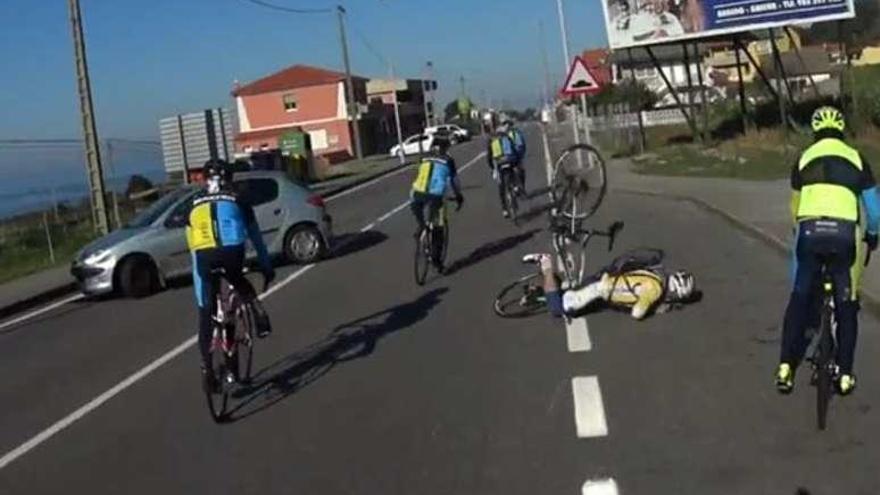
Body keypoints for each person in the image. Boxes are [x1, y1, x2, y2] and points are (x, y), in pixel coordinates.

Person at [776, 106, 880, 396]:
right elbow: (874, 210)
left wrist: (800, 233)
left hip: (810, 233)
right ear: (841, 130)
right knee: (847, 305)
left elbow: (795, 209)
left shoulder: (804, 159)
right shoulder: (857, 159)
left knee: (799, 298)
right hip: (844, 235)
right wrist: (872, 236)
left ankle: (785, 366)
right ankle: (845, 374)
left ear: (815, 132)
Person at [186, 159, 276, 392]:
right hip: (232, 252)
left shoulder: (193, 204)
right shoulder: (239, 200)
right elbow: (256, 239)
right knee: (237, 279)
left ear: (205, 180)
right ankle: (258, 312)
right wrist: (267, 267)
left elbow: (194, 253)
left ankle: (207, 369)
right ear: (230, 179)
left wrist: (201, 298)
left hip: (205, 257)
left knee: (206, 315)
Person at [523, 252, 697, 320]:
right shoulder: (654, 290)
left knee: (569, 296)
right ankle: (545, 263)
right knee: (558, 308)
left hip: (606, 282)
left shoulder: (658, 274)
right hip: (601, 289)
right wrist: (651, 307)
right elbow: (637, 314)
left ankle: (535, 291)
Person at [410, 136, 464, 273]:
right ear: (445, 148)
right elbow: (454, 182)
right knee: (438, 228)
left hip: (417, 194)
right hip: (436, 196)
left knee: (421, 219)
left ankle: (421, 228)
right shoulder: (448, 160)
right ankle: (437, 262)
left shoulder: (424, 157)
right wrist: (458, 197)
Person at [486, 123, 521, 218]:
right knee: (514, 170)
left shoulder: (491, 141)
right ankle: (515, 186)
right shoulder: (508, 138)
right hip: (510, 160)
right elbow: (515, 151)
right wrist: (517, 160)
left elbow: (489, 157)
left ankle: (505, 209)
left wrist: (492, 168)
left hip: (499, 164)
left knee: (501, 187)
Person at [506, 120, 528, 194]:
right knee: (520, 171)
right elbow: (521, 145)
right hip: (514, 156)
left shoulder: (504, 135)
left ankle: (516, 187)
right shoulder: (515, 133)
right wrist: (521, 155)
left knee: (515, 172)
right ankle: (521, 187)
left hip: (507, 157)